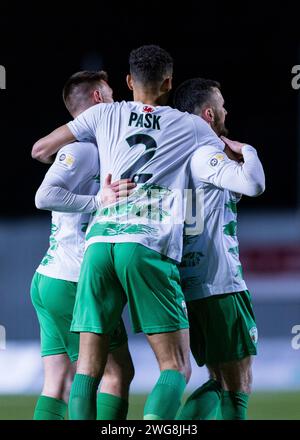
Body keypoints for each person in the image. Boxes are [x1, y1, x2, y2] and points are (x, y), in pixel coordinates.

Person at [32, 44, 226, 420]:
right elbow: (235, 168)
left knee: (86, 372)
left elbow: (42, 150)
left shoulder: (104, 115)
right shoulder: (190, 126)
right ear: (169, 81)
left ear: (127, 81)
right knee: (174, 367)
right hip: (146, 244)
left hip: (99, 244)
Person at [31, 70, 135, 420]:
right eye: (111, 94)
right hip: (74, 280)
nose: (117, 101)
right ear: (96, 100)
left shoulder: (87, 148)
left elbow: (39, 150)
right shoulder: (84, 149)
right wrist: (98, 202)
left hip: (50, 278)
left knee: (58, 382)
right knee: (115, 373)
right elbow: (43, 196)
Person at [173, 77, 265, 419]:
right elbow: (255, 183)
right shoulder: (205, 153)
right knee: (238, 383)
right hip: (220, 281)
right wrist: (248, 152)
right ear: (209, 114)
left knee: (218, 379)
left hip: (191, 284)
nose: (227, 109)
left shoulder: (174, 156)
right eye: (222, 104)